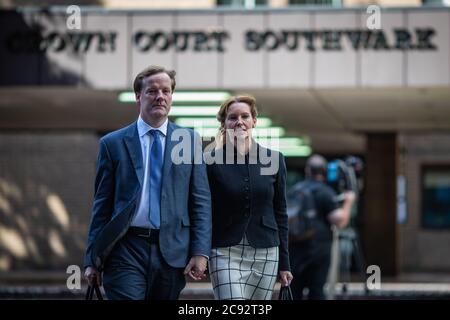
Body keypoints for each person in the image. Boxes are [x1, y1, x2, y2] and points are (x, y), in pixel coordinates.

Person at [83, 65, 212, 300]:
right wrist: (92, 259)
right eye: (152, 91)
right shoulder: (113, 144)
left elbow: (201, 202)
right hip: (124, 247)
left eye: (166, 91)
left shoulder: (189, 141)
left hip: (172, 249)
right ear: (138, 96)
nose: (160, 96)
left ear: (172, 97)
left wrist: (201, 252)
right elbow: (101, 204)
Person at [205, 95, 293, 300]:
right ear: (224, 123)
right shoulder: (209, 161)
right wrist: (198, 252)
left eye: (245, 116)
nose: (239, 121)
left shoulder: (274, 159)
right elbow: (203, 210)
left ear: (254, 121)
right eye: (232, 117)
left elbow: (281, 212)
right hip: (224, 251)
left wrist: (285, 264)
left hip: (267, 251)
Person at [288, 154, 355, 300]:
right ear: (324, 172)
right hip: (318, 251)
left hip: (294, 250)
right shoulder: (325, 192)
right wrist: (349, 201)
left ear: (307, 171)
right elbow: (340, 220)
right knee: (316, 290)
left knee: (294, 291)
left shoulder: (294, 190)